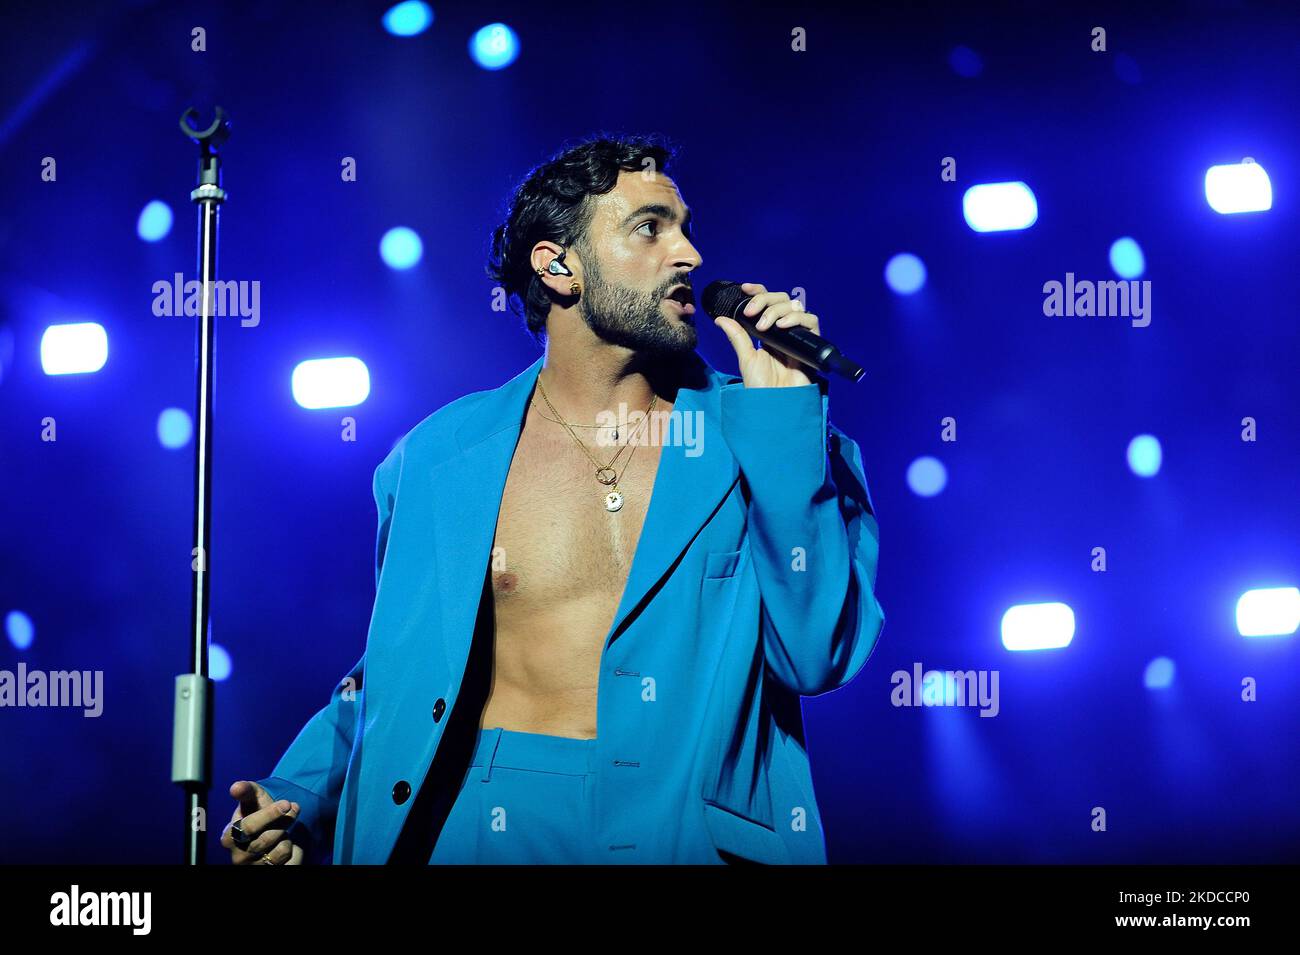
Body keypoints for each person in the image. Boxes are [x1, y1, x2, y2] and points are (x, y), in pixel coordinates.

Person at [222, 134, 885, 865]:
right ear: (558, 264)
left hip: (678, 832)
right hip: (474, 826)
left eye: (686, 227)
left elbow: (816, 657)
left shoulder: (763, 436)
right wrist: (299, 794)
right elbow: (398, 670)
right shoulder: (440, 456)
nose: (690, 254)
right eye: (650, 227)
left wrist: (785, 427)